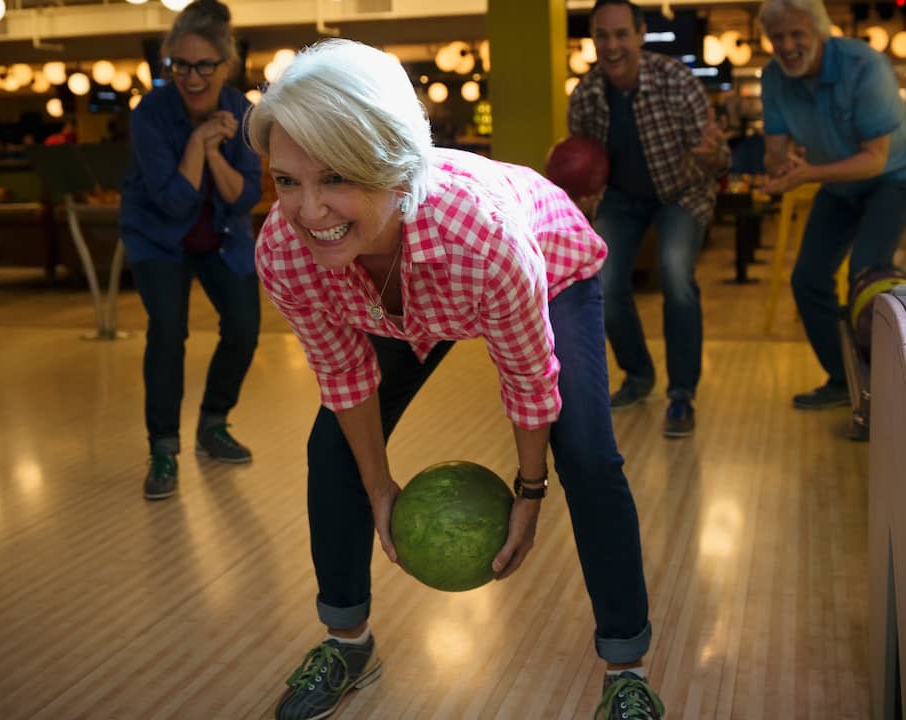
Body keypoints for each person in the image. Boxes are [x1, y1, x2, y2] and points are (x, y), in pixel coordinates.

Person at [249, 39, 663, 720]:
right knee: (333, 450)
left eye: (335, 179)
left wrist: (530, 492)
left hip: (550, 265)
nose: (307, 210)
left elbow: (529, 378)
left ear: (390, 165)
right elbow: (343, 376)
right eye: (288, 181)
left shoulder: (483, 238)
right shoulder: (285, 250)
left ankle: (628, 667)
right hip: (410, 299)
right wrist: (379, 486)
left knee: (586, 456)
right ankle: (347, 640)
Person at [757, 0, 906, 410]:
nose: (787, 46)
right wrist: (779, 171)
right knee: (808, 279)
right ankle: (844, 380)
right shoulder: (773, 78)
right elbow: (776, 152)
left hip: (896, 175)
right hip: (839, 184)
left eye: (797, 34)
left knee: (866, 280)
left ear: (820, 32)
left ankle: (888, 394)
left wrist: (805, 174)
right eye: (778, 37)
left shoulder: (863, 66)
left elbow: (875, 158)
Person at [119, 0, 262, 500]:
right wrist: (197, 140)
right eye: (181, 65)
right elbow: (174, 201)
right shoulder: (150, 115)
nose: (192, 77)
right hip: (158, 238)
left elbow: (245, 195)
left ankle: (213, 423)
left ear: (226, 65)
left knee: (244, 328)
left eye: (205, 65)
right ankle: (163, 448)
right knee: (168, 331)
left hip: (223, 240)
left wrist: (213, 150)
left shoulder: (243, 112)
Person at [568, 0, 729, 438]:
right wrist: (580, 198)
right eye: (603, 35)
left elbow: (718, 159)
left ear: (640, 35)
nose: (612, 45)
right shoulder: (586, 95)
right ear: (593, 39)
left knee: (676, 275)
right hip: (622, 199)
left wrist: (715, 155)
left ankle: (681, 394)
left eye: (621, 34)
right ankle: (639, 375)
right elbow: (583, 164)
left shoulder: (676, 81)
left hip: (681, 192)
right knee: (602, 280)